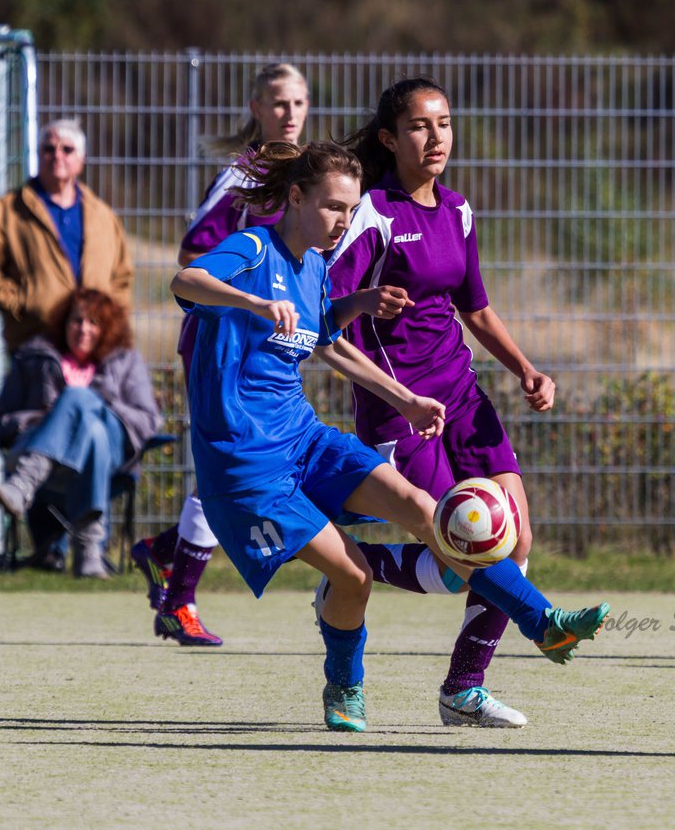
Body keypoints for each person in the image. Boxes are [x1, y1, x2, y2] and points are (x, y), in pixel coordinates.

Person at [171, 139, 609, 733]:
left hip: (304, 440)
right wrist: (252, 300)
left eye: (350, 211)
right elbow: (186, 281)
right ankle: (345, 685)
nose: (342, 222)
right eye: (332, 208)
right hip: (245, 465)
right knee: (351, 575)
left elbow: (325, 340)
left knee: (430, 511)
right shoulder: (252, 248)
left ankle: (545, 623)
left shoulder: (314, 266)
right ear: (295, 198)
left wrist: (402, 396)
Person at [324, 77, 555, 728]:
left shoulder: (457, 210)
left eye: (445, 124)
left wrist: (526, 368)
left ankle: (463, 689)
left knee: (514, 539)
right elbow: (325, 319)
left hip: (462, 393)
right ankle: (351, 566)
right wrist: (363, 302)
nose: (436, 137)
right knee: (461, 558)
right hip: (400, 408)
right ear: (391, 139)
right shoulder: (372, 212)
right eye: (421, 126)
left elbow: (474, 308)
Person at [131, 63, 310, 645]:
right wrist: (250, 298)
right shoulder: (246, 173)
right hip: (224, 346)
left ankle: (164, 553)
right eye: (278, 103)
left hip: (271, 351)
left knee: (239, 467)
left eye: (299, 102)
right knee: (228, 462)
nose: (289, 113)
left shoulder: (306, 173)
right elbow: (192, 251)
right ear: (257, 109)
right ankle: (178, 600)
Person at [0, 118, 134, 570]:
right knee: (59, 422)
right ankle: (66, 549)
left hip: (95, 355)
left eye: (65, 150)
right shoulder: (10, 211)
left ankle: (51, 530)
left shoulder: (101, 216)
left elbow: (121, 279)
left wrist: (105, 322)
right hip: (40, 354)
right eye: (47, 149)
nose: (55, 157)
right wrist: (26, 303)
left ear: (80, 159)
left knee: (84, 421)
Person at [0, 288, 162, 579]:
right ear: (63, 323)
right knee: (87, 424)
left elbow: (148, 420)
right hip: (51, 466)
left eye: (93, 322)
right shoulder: (35, 356)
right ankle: (89, 553)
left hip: (112, 462)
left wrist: (103, 403)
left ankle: (21, 487)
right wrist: (50, 419)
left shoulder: (125, 361)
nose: (84, 329)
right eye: (77, 321)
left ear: (107, 328)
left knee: (83, 407)